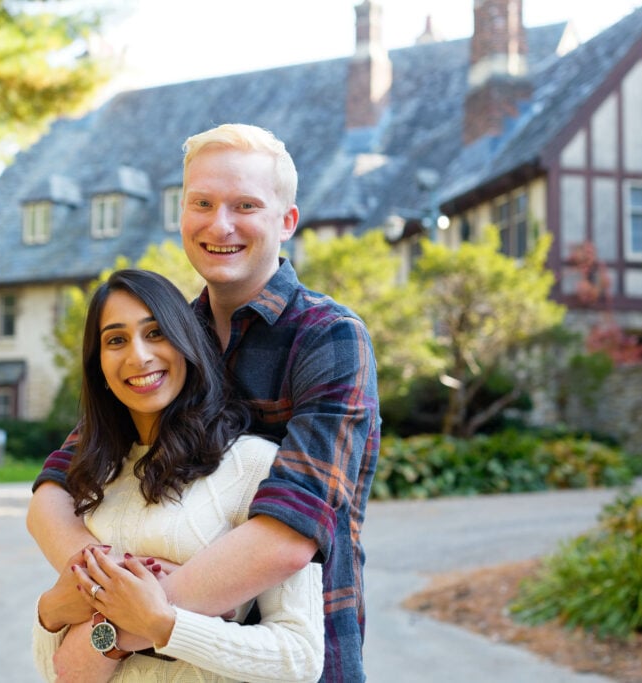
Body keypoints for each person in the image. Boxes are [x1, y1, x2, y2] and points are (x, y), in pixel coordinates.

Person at [28, 123, 380, 682]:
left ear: (287, 221)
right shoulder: (168, 338)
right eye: (203, 203)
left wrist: (128, 620)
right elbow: (55, 490)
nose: (220, 224)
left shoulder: (327, 337)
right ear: (182, 213)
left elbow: (290, 534)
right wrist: (92, 579)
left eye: (245, 205)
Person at [32, 269, 324, 682]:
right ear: (98, 366)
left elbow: (301, 658)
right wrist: (52, 611)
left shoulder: (255, 467)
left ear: (188, 344)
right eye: (116, 340)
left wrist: (162, 624)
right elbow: (61, 672)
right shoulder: (93, 475)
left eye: (155, 333)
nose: (138, 356)